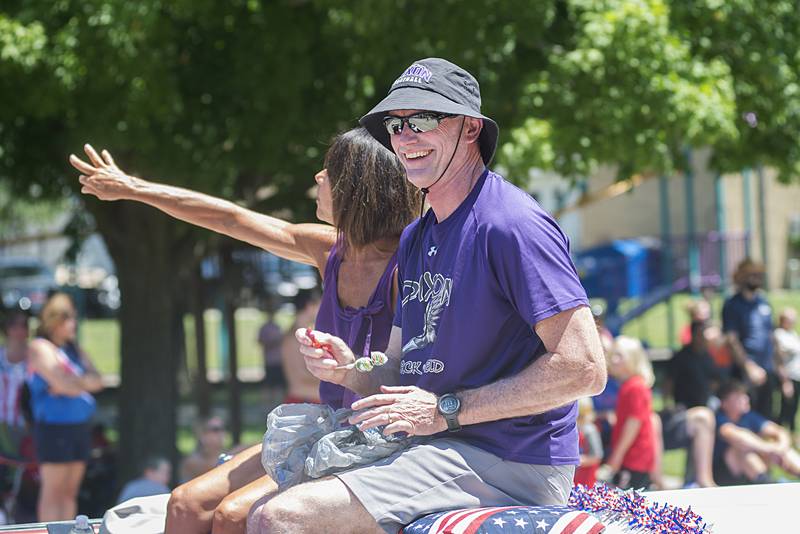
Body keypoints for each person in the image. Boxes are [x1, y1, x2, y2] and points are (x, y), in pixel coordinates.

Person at [255, 57, 606, 534]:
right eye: (395, 125)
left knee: (283, 518)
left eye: (422, 120)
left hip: (510, 460)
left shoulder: (510, 224)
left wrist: (446, 411)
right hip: (439, 446)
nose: (404, 137)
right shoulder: (418, 236)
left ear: (469, 128)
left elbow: (584, 368)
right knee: (252, 509)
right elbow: (401, 368)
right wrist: (350, 369)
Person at [70, 127, 420, 534]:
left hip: (376, 439)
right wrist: (133, 188)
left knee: (233, 516)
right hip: (328, 425)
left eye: (328, 171)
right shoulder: (329, 250)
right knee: (185, 503)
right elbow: (229, 217)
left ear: (356, 187)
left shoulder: (405, 267)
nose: (317, 179)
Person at [26, 292, 103, 521]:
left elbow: (98, 380)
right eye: (67, 318)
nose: (73, 324)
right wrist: (79, 383)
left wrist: (72, 384)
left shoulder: (75, 350)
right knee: (53, 491)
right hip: (54, 428)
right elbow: (62, 382)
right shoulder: (40, 347)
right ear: (54, 320)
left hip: (78, 427)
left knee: (70, 493)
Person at [655, 320, 718, 487]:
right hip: (683, 409)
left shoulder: (707, 357)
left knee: (700, 444)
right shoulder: (682, 356)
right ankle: (695, 479)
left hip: (703, 405)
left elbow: (714, 379)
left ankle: (693, 479)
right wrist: (667, 403)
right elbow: (668, 382)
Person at [722, 258, 780, 421]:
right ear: (741, 276)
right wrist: (748, 366)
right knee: (746, 414)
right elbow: (731, 339)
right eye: (752, 274)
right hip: (745, 371)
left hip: (767, 367)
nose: (756, 277)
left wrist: (779, 365)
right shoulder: (732, 304)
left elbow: (771, 334)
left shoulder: (763, 302)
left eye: (759, 274)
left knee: (767, 413)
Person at [713, 380, 800, 485]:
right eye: (738, 396)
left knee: (776, 442)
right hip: (724, 474)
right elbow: (735, 435)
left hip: (753, 471)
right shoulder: (719, 418)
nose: (746, 399)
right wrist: (769, 449)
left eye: (745, 395)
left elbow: (779, 431)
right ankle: (769, 483)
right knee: (742, 449)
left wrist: (780, 448)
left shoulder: (748, 416)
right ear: (724, 403)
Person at [601, 336, 655, 489]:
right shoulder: (629, 385)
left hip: (634, 459)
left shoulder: (635, 387)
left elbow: (633, 423)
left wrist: (616, 457)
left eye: (620, 356)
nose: (614, 360)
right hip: (632, 458)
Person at [281, 290, 321, 404]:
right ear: (310, 306)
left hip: (310, 402)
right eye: (320, 304)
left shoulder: (306, 334)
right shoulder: (292, 339)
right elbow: (298, 380)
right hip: (302, 403)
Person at [0, 310, 30, 455]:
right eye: (14, 325)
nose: (19, 330)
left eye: (24, 325)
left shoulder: (37, 357)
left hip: (27, 425)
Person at [180, 416, 228, 483]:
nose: (222, 433)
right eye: (216, 429)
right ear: (202, 434)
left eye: (223, 428)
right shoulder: (192, 462)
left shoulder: (230, 455)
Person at [776, 308, 800, 435]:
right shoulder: (779, 334)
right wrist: (785, 381)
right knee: (785, 407)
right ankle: (780, 433)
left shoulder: (793, 334)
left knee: (794, 407)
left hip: (797, 376)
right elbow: (779, 359)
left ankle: (792, 433)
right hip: (788, 376)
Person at [257, 299, 285, 396]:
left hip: (279, 360)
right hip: (269, 360)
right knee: (268, 384)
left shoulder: (277, 327)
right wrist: (273, 343)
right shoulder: (264, 328)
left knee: (279, 384)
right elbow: (260, 341)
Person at [574, 397, 603, 487]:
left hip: (586, 479)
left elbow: (596, 456)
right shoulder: (572, 429)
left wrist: (578, 460)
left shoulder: (590, 430)